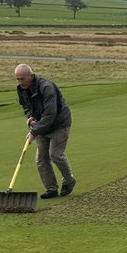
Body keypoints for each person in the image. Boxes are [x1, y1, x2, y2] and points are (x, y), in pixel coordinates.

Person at [14, 63, 75, 199]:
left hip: (59, 124)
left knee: (55, 154)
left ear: (31, 76)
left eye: (22, 79)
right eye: (17, 79)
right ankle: (51, 188)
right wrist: (30, 117)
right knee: (41, 159)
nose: (20, 82)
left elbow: (50, 114)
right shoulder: (21, 89)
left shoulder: (47, 87)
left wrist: (34, 132)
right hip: (41, 125)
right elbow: (26, 106)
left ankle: (69, 180)